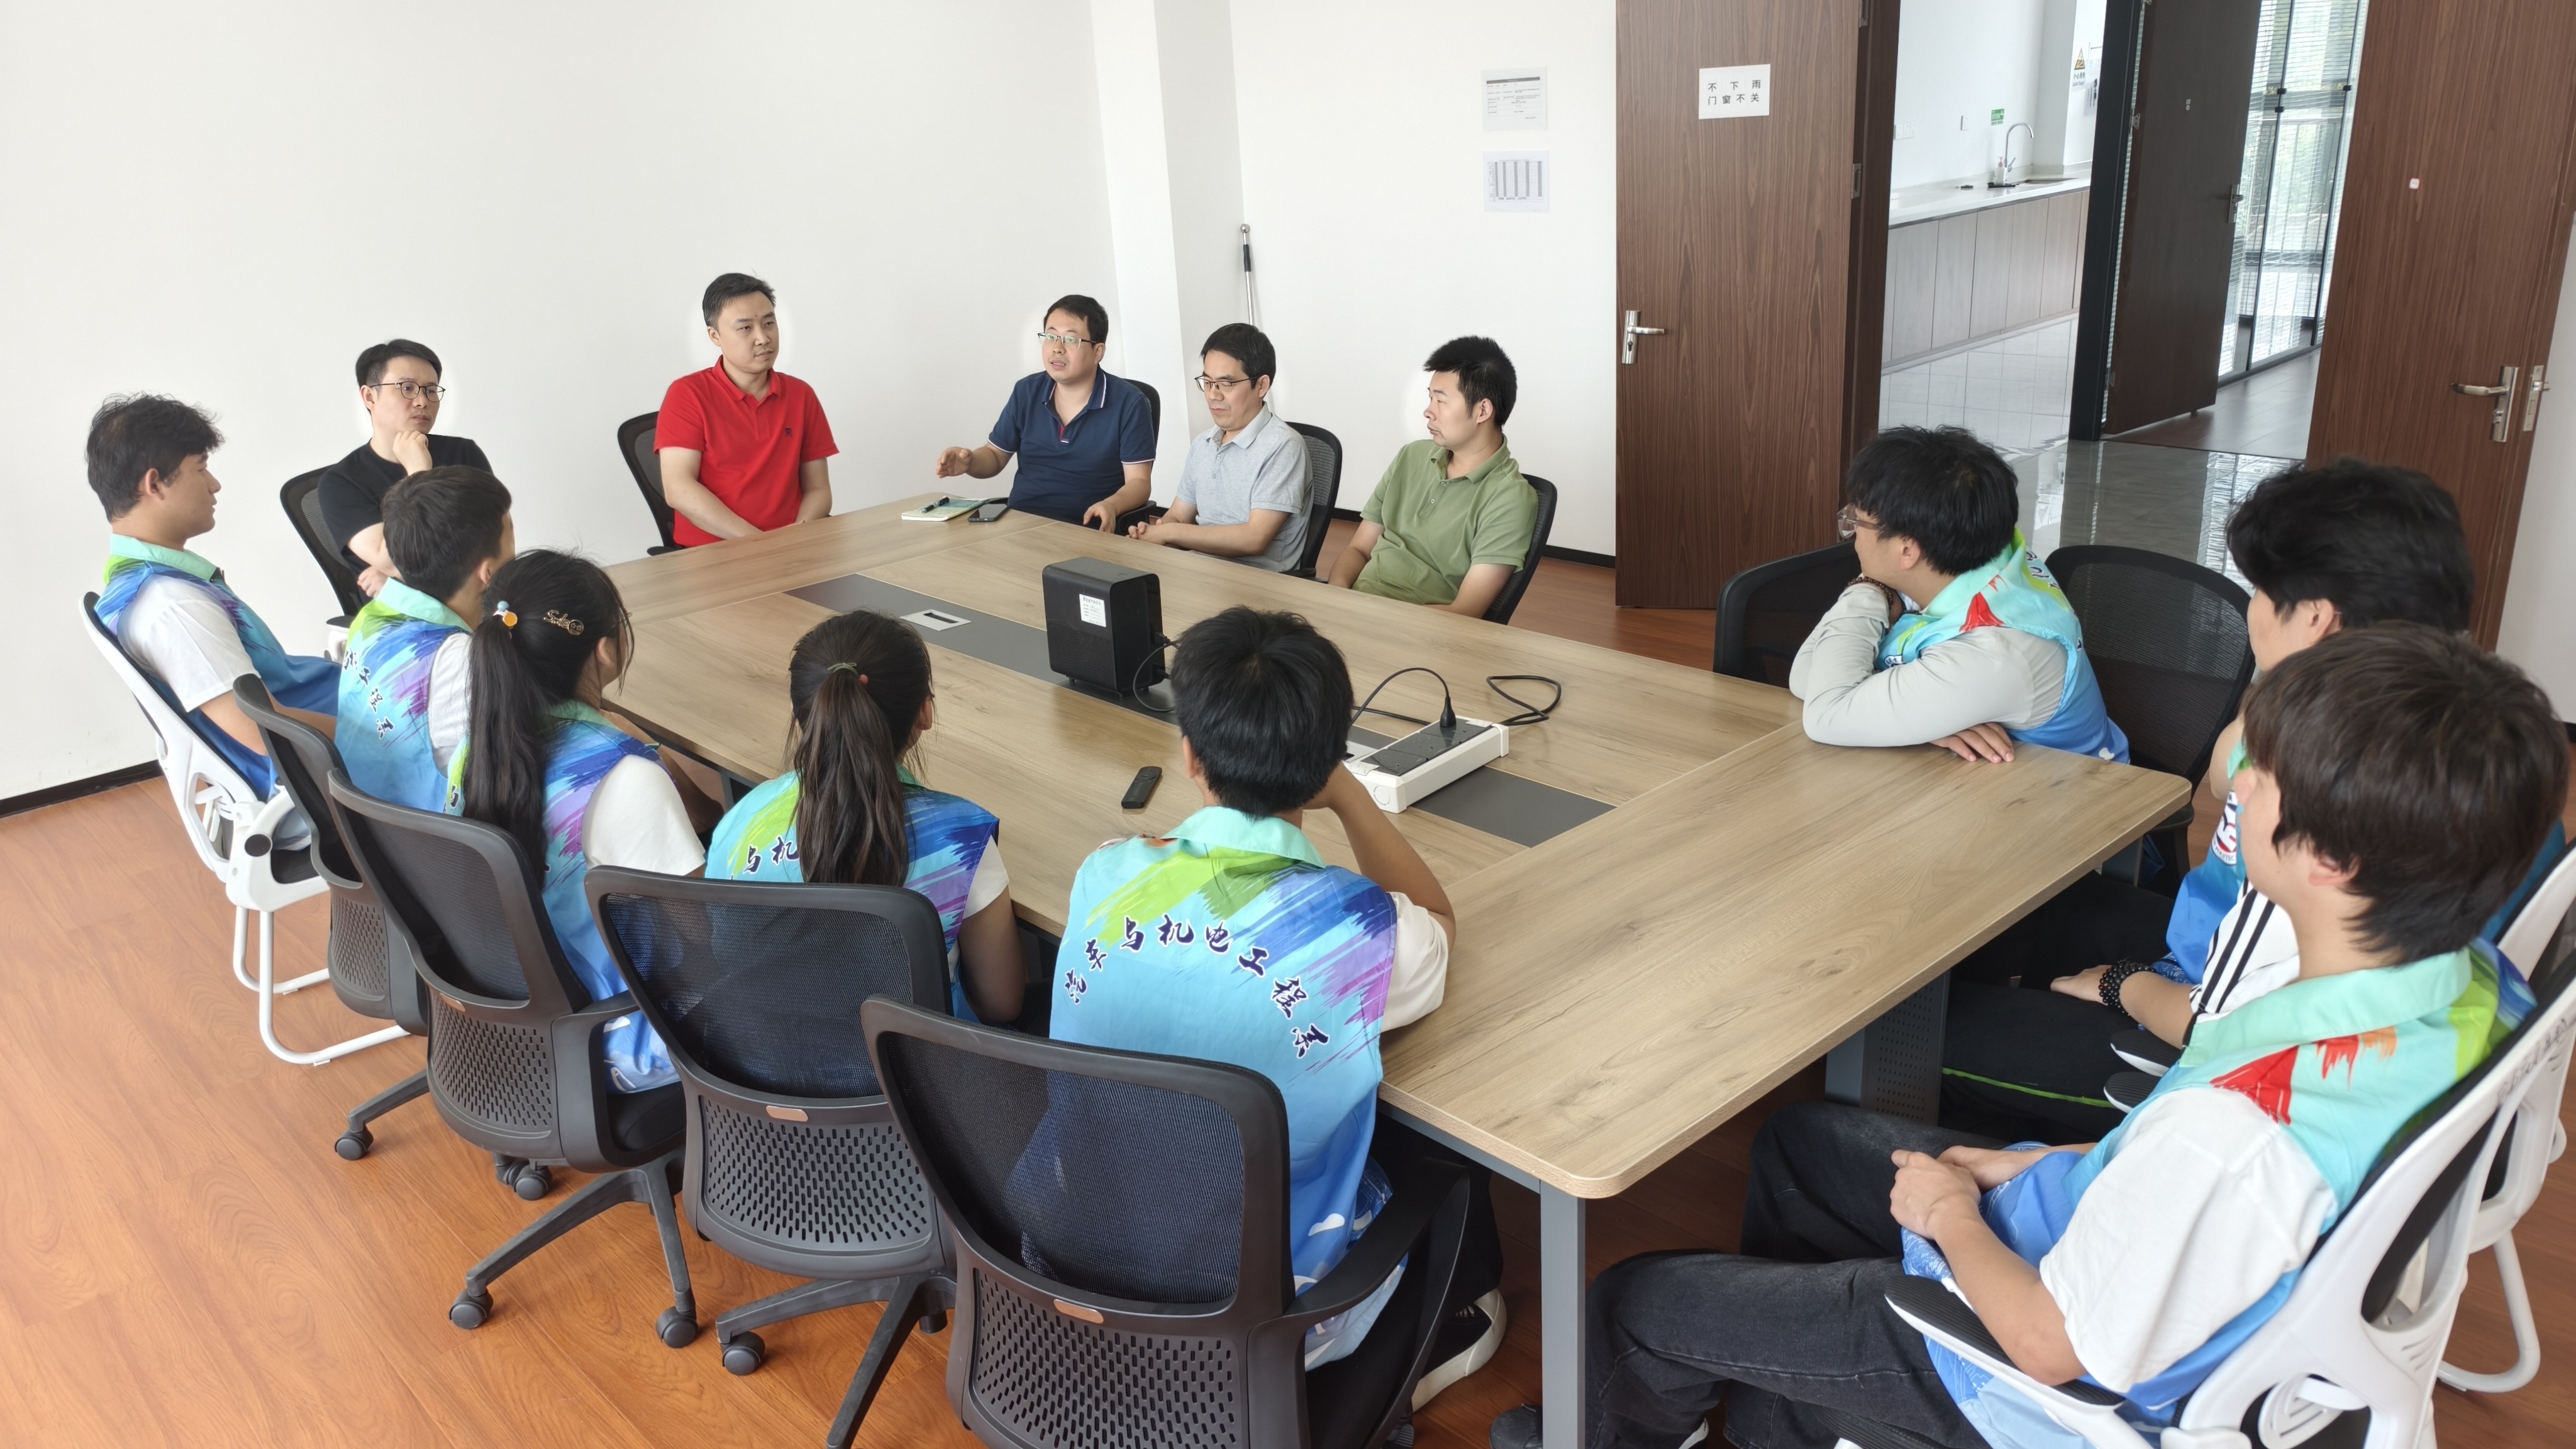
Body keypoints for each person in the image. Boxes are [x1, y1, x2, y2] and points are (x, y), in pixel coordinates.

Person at [1492, 623, 2566, 1449]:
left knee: (1635, 1301)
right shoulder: (2476, 990)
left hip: (2019, 1373)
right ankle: (1797, 1406)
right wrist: (2048, 1159)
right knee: (1798, 1143)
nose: (2241, 783)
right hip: (2114, 1234)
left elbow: (2051, 1345)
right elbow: (2229, 1201)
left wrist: (1954, 1215)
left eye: (2263, 774)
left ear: (2328, 859)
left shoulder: (2235, 1136)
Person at [1940, 460, 2566, 1145]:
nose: (2252, 612)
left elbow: (2225, 1024)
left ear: (2317, 618)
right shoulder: (2466, 741)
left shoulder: (2320, 800)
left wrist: (2125, 985)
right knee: (2023, 927)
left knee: (1921, 1032)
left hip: (2220, 1063)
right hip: (2296, 1004)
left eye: (2262, 592)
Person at [1038, 606, 1508, 1401]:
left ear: (1190, 756)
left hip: (1090, 1256)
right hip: (1268, 1308)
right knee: (1436, 1137)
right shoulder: (1361, 936)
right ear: (1324, 760)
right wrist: (1351, 798)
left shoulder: (1104, 874)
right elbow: (1439, 923)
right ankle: (1450, 1321)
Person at [448, 551, 721, 1092]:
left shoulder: (475, 750)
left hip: (515, 1023)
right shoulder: (625, 778)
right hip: (629, 1039)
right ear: (604, 650)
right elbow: (706, 934)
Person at [706, 610, 1024, 1024]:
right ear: (925, 712)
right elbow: (1001, 1005)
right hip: (912, 1064)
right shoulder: (960, 840)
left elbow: (727, 956)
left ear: (800, 719)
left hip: (760, 1056)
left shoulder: (741, 821)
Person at [1790, 426, 2128, 767]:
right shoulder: (1979, 556)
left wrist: (1866, 590)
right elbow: (1808, 676)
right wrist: (1920, 718)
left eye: (1858, 521)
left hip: (2071, 793)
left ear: (1907, 550)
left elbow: (1825, 711)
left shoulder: (1994, 652)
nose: (1852, 533)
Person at [89, 394, 338, 800]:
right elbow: (266, 732)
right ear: (155, 484)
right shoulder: (172, 606)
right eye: (201, 468)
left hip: (327, 707)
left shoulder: (138, 579)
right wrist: (386, 733)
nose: (214, 484)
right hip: (323, 769)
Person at [336, 468, 514, 813]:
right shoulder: (464, 663)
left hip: (366, 816)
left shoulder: (371, 618)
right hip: (429, 833)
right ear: (488, 573)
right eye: (512, 538)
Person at [1327, 336, 1537, 616]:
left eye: (1441, 401)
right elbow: (1359, 548)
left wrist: (1374, 617)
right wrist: (1337, 594)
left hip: (1419, 630)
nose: (1428, 412)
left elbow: (1466, 611)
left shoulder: (1510, 497)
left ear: (1483, 411)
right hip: (1352, 609)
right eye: (1430, 398)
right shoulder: (1411, 456)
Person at [934, 294, 1156, 528]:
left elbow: (1139, 483)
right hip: (1022, 523)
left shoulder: (1129, 403)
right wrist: (970, 462)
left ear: (1098, 352)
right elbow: (995, 456)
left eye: (1071, 339)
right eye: (1050, 336)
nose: (1057, 348)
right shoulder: (1027, 391)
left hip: (1086, 529)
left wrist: (1112, 506)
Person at [655, 273, 837, 546]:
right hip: (713, 553)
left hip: (792, 547)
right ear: (715, 336)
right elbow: (679, 490)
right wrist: (761, 545)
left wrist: (796, 537)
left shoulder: (801, 395)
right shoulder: (688, 395)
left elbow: (819, 489)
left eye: (769, 323)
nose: (763, 338)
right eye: (745, 328)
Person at [315, 339, 494, 596]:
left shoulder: (463, 454)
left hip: (480, 601)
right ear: (370, 397)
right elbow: (392, 561)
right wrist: (419, 476)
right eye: (407, 388)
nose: (422, 401)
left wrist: (400, 577)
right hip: (403, 614)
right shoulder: (341, 483)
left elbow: (494, 545)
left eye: (431, 390)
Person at [1127, 323, 1309, 571]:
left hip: (1257, 580)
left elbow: (1254, 539)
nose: (1213, 395)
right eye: (1208, 382)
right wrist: (1156, 533)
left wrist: (1171, 533)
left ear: (1262, 386)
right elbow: (1179, 516)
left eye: (1226, 384)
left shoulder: (1284, 446)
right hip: (1200, 568)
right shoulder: (1203, 443)